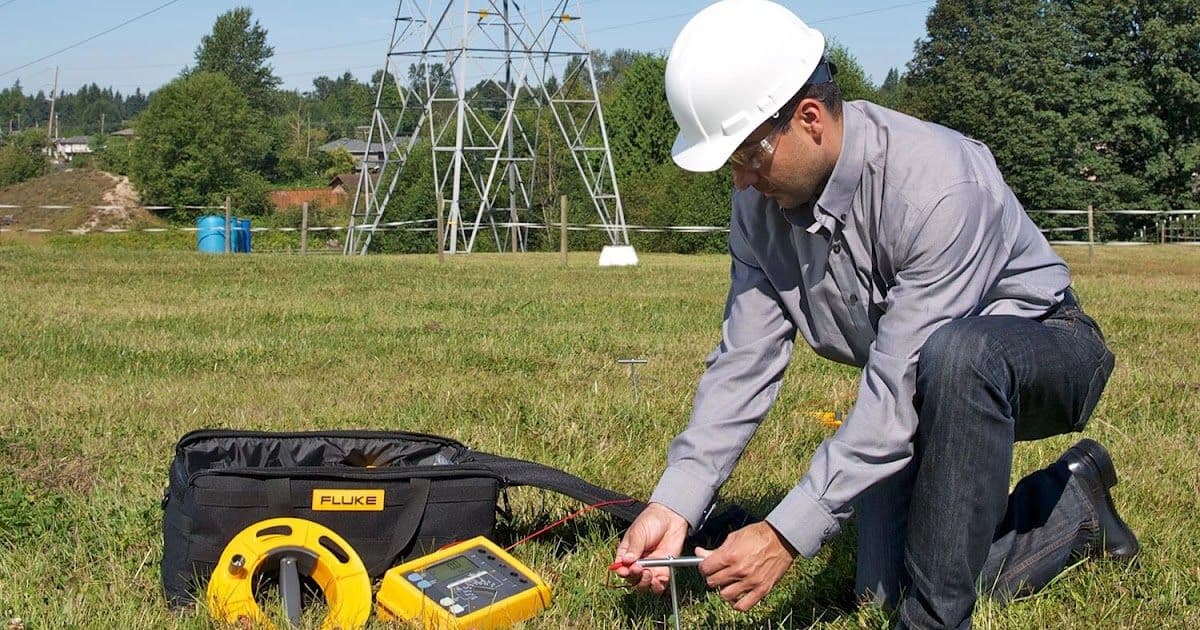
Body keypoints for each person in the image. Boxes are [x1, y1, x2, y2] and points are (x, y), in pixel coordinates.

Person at [608, 1, 1139, 628]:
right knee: (879, 591)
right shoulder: (758, 210)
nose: (742, 182)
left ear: (807, 119)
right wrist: (676, 503)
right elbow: (743, 363)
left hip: (1043, 349)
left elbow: (899, 389)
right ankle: (1073, 505)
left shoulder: (937, 183)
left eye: (747, 156)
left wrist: (784, 535)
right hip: (922, 381)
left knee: (960, 359)